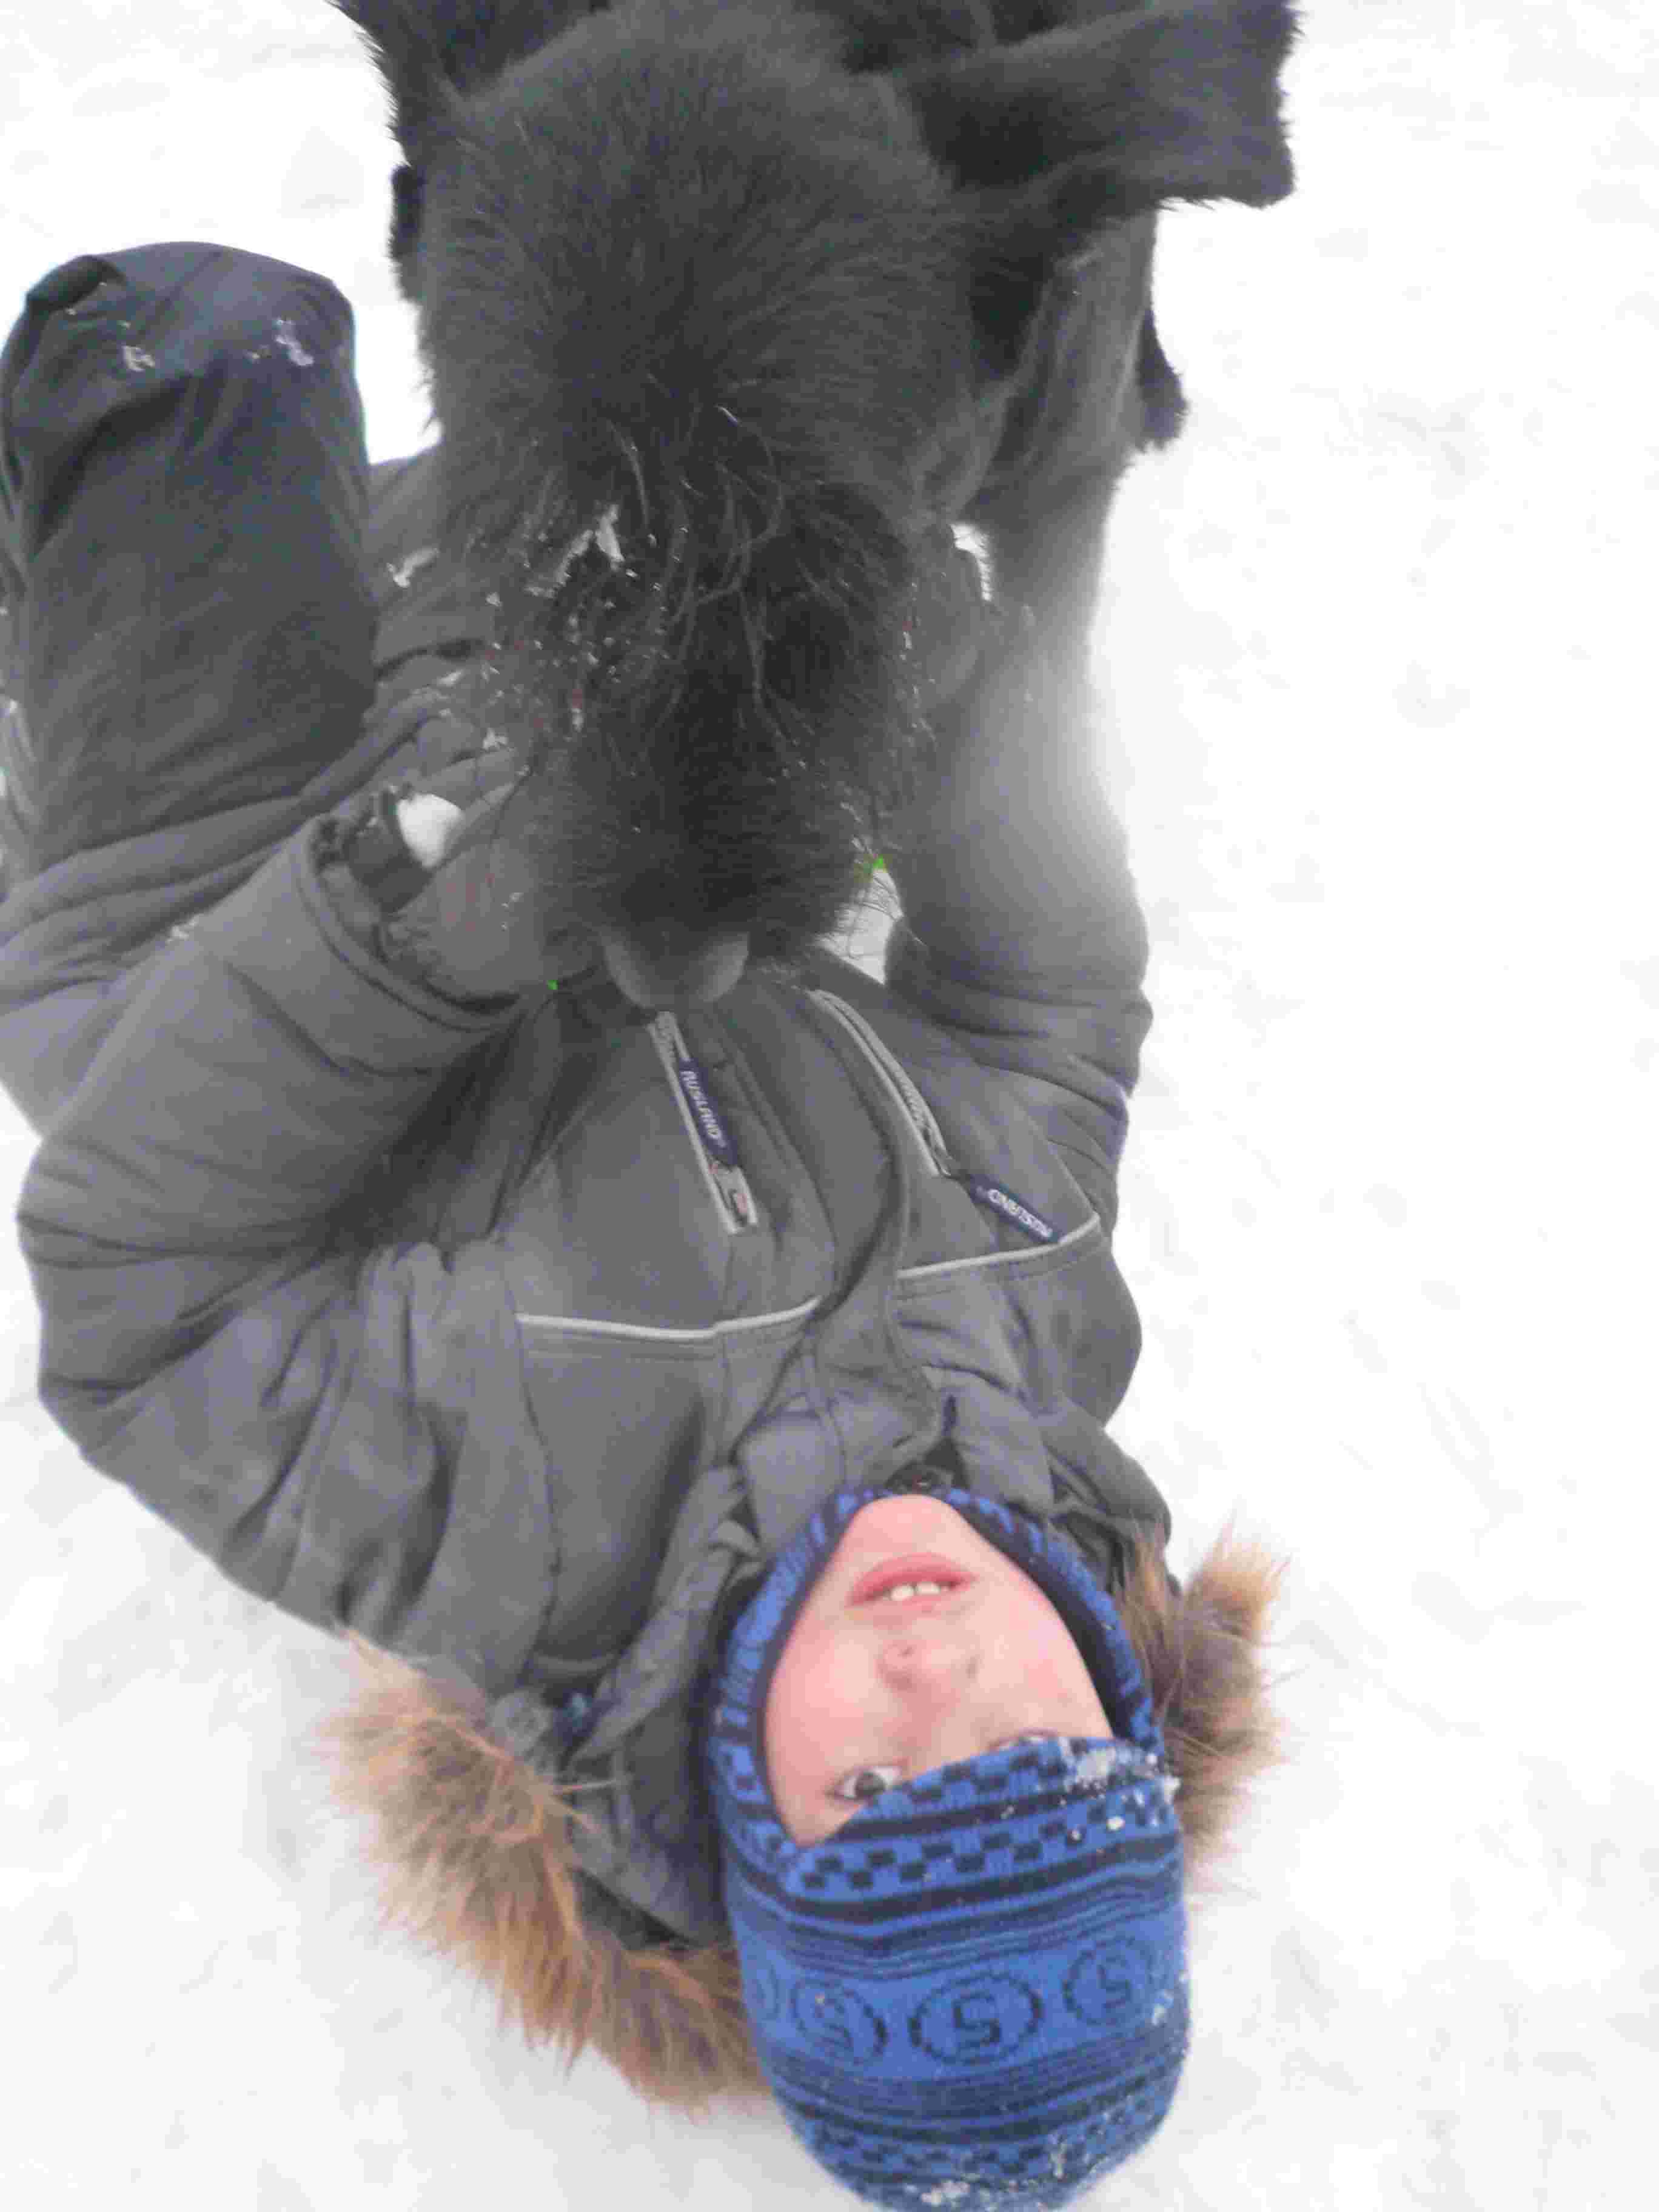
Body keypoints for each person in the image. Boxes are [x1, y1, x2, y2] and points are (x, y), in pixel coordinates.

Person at [0, 243, 1281, 2208]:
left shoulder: (487, 1550)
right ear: (1121, 1713)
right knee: (690, 359)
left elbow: (142, 1291)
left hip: (230, 893)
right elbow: (1050, 1009)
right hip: (581, 782)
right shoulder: (1039, 1361)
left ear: (748, 1814)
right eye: (1030, 1749)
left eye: (875, 1792)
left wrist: (421, 923)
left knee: (202, 348)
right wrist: (952, 722)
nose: (938, 1674)